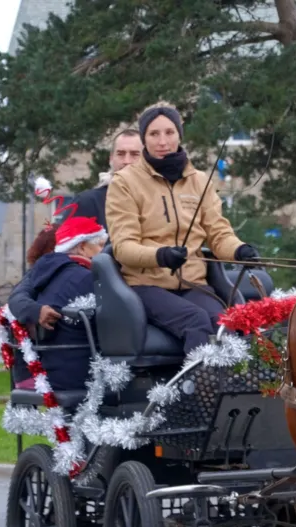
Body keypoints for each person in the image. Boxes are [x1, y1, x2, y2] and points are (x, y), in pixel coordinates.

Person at [105, 101, 259, 353]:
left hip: (193, 284)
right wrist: (160, 255)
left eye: (169, 132)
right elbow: (123, 247)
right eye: (154, 134)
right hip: (146, 285)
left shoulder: (200, 181)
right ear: (144, 139)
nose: (162, 141)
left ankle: (236, 390)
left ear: (179, 134)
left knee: (229, 325)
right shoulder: (125, 183)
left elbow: (219, 234)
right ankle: (199, 390)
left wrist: (240, 250)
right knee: (195, 321)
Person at [7, 215, 107, 392]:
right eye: (100, 245)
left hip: (44, 368)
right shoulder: (86, 277)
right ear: (82, 247)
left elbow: (16, 297)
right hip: (75, 374)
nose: (104, 251)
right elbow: (17, 297)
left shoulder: (47, 269)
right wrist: (36, 311)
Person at [67, 129, 143, 230]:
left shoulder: (159, 200)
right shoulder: (87, 202)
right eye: (120, 154)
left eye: (134, 154)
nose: (127, 161)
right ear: (111, 159)